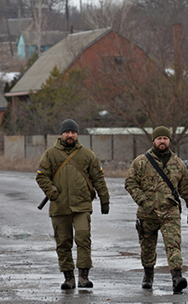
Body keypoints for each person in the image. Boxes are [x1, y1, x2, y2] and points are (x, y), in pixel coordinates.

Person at [124, 126, 188, 293]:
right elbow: (130, 183)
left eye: (165, 138)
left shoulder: (178, 163)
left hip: (170, 213)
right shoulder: (141, 162)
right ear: (154, 141)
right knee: (147, 247)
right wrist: (143, 200)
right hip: (147, 213)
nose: (162, 141)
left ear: (169, 141)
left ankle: (177, 277)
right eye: (159, 139)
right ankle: (148, 275)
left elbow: (186, 188)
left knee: (173, 245)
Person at [36, 119, 110, 290]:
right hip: (59, 206)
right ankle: (68, 278)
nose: (70, 135)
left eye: (73, 132)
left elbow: (98, 178)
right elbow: (41, 176)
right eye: (67, 132)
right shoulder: (50, 154)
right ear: (61, 134)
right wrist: (52, 193)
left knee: (83, 238)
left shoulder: (87, 155)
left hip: (82, 205)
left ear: (77, 134)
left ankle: (84, 277)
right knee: (63, 242)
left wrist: (104, 200)